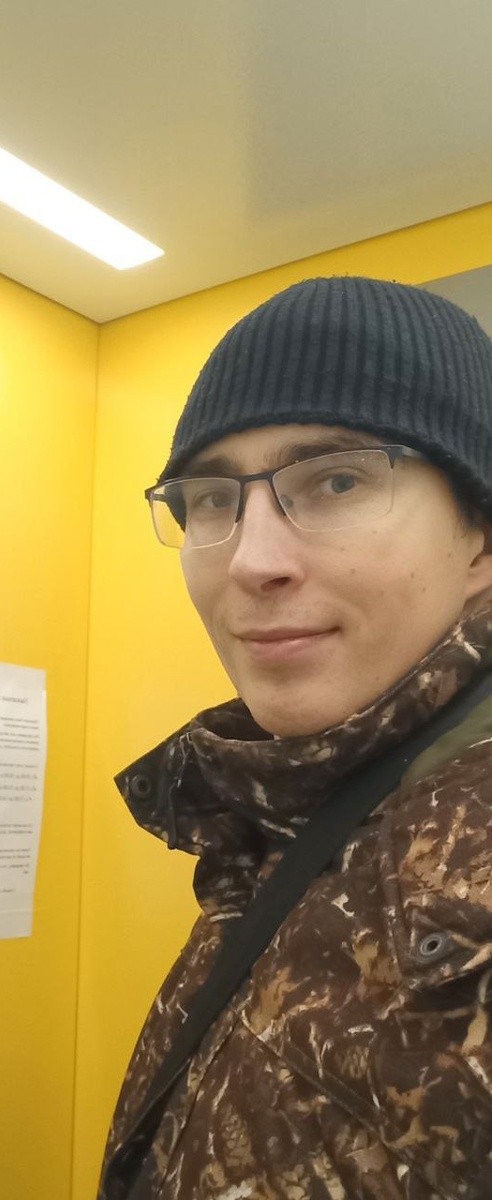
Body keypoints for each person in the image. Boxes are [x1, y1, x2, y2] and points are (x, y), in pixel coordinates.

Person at [98, 275, 492, 1200]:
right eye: (211, 498)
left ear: (481, 537)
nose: (252, 561)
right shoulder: (296, 807)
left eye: (337, 480)